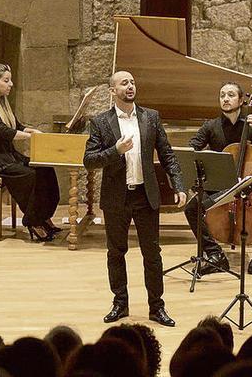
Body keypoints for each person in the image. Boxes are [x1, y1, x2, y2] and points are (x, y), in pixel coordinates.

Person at [83, 71, 187, 327]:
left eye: (132, 82)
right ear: (112, 91)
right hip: (116, 197)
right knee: (116, 252)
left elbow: (167, 154)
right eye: (124, 83)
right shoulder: (100, 122)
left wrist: (179, 185)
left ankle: (157, 307)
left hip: (144, 194)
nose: (130, 86)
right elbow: (89, 160)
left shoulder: (150, 117)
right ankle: (120, 304)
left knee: (152, 254)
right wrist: (115, 150)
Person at [186, 82, 252, 278]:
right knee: (192, 208)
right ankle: (215, 255)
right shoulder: (211, 126)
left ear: (241, 100)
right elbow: (192, 146)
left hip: (248, 188)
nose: (225, 99)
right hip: (221, 187)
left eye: (231, 95)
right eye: (222, 95)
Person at [0, 63, 61, 241]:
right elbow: (2, 131)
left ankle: (43, 216)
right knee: (29, 175)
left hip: (6, 155)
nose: (11, 84)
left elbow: (16, 126)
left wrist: (32, 131)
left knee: (45, 169)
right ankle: (33, 221)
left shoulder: (1, 101)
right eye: (6, 80)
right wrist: (28, 138)